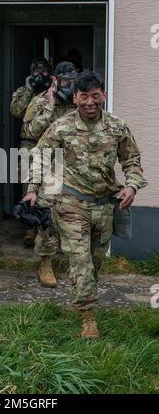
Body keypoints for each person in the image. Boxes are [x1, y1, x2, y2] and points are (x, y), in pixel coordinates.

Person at [23, 71, 147, 338]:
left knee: (95, 262)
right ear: (76, 97)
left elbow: (132, 161)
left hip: (104, 207)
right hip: (71, 203)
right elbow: (41, 157)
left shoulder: (117, 127)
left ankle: (83, 290)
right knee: (80, 261)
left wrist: (132, 185)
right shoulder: (62, 126)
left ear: (104, 95)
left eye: (95, 96)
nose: (89, 102)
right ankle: (88, 317)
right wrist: (32, 189)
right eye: (83, 97)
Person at [22, 61, 77, 286]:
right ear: (55, 79)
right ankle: (45, 263)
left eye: (72, 81)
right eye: (65, 81)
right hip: (48, 167)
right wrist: (50, 106)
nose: (69, 86)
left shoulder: (80, 101)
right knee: (47, 216)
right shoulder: (39, 101)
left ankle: (74, 262)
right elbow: (31, 131)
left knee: (73, 214)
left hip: (74, 168)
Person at [11, 57, 52, 247]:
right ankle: (30, 229)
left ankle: (48, 229)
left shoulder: (54, 92)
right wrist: (28, 90)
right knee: (28, 186)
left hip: (51, 145)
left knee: (50, 185)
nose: (40, 75)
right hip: (29, 144)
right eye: (36, 71)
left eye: (44, 71)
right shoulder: (23, 91)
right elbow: (16, 111)